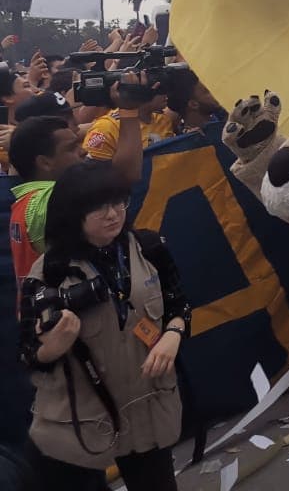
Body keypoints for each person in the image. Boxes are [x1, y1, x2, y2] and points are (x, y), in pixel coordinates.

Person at [20, 163, 189, 490]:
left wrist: (174, 333)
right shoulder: (48, 274)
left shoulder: (149, 247)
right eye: (98, 207)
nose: (113, 214)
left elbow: (178, 302)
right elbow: (26, 354)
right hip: (83, 419)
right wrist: (50, 349)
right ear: (72, 213)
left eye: (119, 202)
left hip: (146, 407)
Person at [8, 117, 85, 283]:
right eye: (72, 148)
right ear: (45, 162)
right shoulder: (50, 198)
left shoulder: (26, 201)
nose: (83, 151)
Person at [82, 74, 174, 184]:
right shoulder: (106, 127)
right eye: (161, 90)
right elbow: (93, 178)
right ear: (142, 92)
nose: (166, 94)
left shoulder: (164, 120)